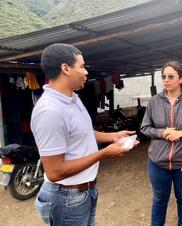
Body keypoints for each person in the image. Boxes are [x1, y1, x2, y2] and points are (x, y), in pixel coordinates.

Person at [31, 43, 138, 226]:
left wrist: (112, 136)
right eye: (81, 66)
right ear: (65, 68)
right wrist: (104, 153)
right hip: (65, 197)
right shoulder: (50, 111)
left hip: (84, 191)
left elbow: (83, 133)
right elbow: (55, 172)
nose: (86, 72)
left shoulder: (73, 98)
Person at [140, 61, 182, 226]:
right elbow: (145, 128)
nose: (166, 80)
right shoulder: (154, 102)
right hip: (157, 163)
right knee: (159, 200)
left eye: (171, 76)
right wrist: (162, 132)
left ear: (181, 79)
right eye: (163, 77)